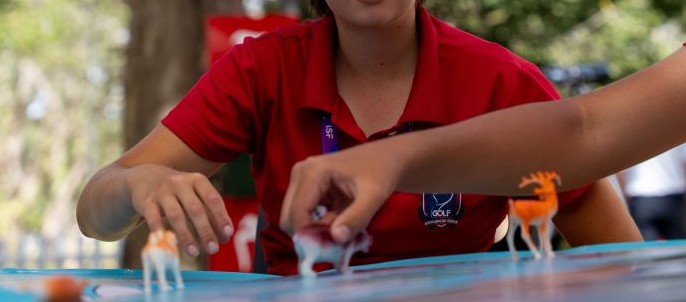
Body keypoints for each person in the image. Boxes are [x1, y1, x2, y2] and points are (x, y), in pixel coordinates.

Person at [76, 0, 641, 276]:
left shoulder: (501, 82)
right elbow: (94, 213)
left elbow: (623, 260)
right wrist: (137, 185)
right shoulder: (260, 69)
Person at [280, 46, 686, 244]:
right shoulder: (271, 63)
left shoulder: (498, 74)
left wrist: (394, 157)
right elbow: (584, 132)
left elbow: (585, 135)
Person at [617, 144, 686, 241]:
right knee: (680, 249)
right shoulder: (675, 132)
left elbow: (621, 170)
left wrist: (626, 194)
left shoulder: (631, 135)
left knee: (646, 250)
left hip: (641, 198)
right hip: (673, 196)